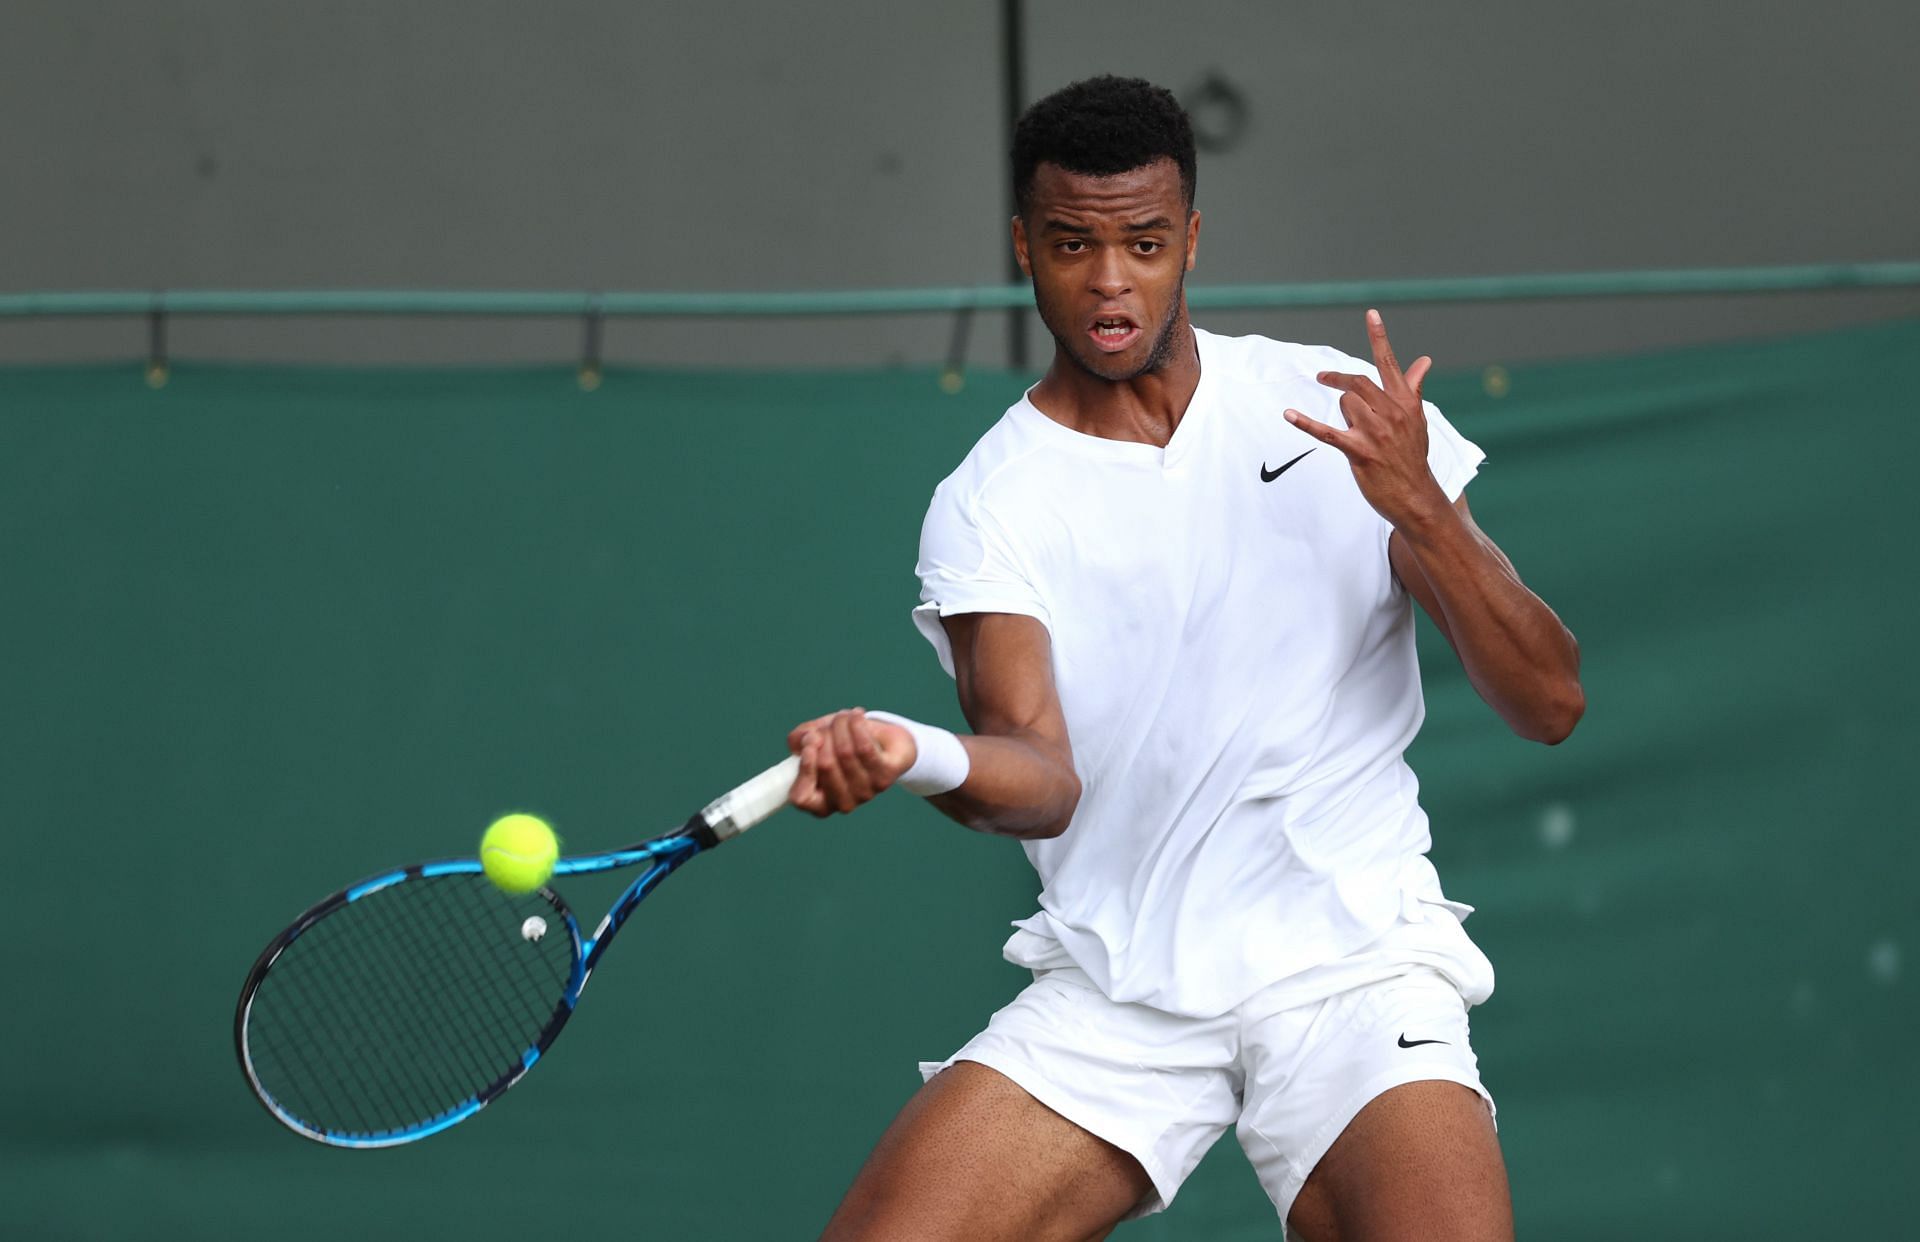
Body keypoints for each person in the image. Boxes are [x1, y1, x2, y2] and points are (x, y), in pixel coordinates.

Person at [787, 75, 1583, 1242]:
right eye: (1073, 244)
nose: (1110, 283)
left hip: (1352, 963)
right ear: (1024, 246)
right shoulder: (990, 503)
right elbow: (1043, 780)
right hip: (1125, 989)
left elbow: (1550, 700)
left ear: (1191, 239)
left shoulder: (1331, 410)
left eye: (1145, 243)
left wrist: (1425, 512)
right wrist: (912, 752)